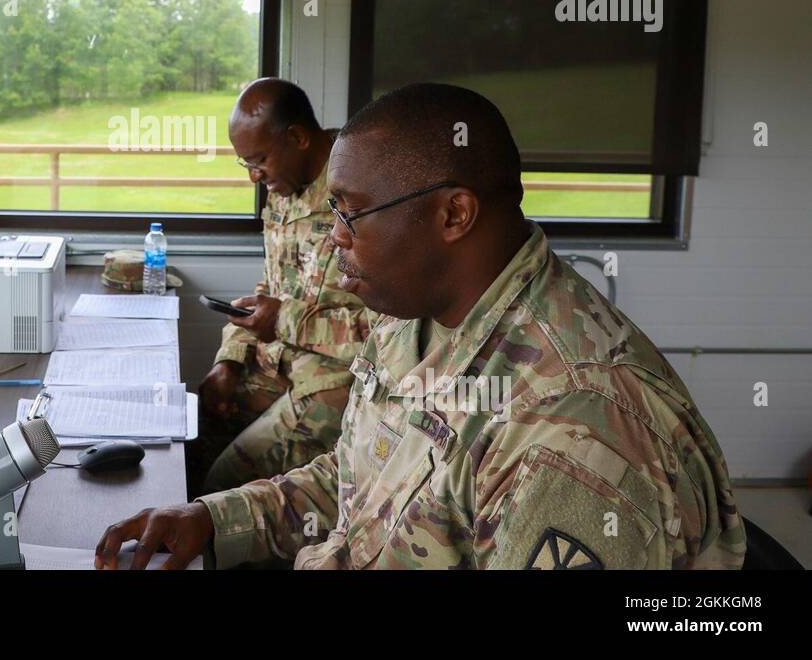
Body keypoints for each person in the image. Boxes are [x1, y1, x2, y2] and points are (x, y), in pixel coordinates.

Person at [98, 83, 745, 570]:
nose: (335, 243)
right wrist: (211, 518)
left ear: (454, 214)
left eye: (349, 216)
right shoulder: (407, 320)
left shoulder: (574, 428)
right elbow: (352, 482)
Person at [191, 78, 372, 495]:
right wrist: (230, 359)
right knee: (192, 433)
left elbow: (389, 331)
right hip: (277, 365)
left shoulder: (364, 190)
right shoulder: (284, 187)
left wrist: (285, 320)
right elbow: (272, 284)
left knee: (224, 481)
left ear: (297, 137)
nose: (254, 176)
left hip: (336, 381)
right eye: (245, 164)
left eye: (259, 161)